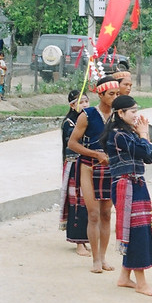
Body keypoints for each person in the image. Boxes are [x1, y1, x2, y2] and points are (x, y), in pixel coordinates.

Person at [103, 95, 152, 297]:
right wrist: (143, 134)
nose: (137, 115)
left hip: (136, 183)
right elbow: (144, 151)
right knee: (136, 231)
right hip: (126, 185)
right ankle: (141, 283)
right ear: (120, 113)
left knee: (139, 227)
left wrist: (142, 135)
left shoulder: (128, 133)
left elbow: (149, 156)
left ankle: (124, 277)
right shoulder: (117, 135)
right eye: (133, 111)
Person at [67, 77, 120, 274]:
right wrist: (95, 154)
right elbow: (72, 143)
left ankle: (104, 257)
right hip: (88, 167)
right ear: (101, 94)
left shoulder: (119, 116)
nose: (115, 97)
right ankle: (95, 259)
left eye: (117, 94)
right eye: (111, 94)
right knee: (94, 213)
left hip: (111, 168)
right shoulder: (87, 115)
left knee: (106, 214)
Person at [60, 90, 91, 256]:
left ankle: (85, 239)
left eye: (87, 101)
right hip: (74, 166)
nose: (85, 104)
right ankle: (78, 242)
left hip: (87, 164)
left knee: (88, 202)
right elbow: (74, 143)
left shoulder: (88, 119)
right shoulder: (69, 123)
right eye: (81, 102)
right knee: (77, 202)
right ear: (72, 105)